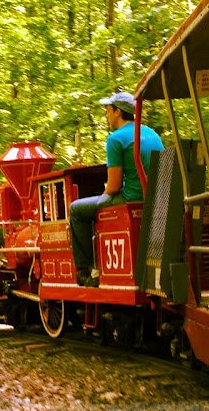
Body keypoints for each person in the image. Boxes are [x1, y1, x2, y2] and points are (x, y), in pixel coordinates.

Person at [70, 91, 164, 287]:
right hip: (155, 197)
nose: (106, 115)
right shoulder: (151, 133)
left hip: (131, 198)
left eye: (108, 111)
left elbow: (112, 186)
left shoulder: (116, 139)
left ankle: (87, 271)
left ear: (118, 112)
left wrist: (102, 200)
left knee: (77, 209)